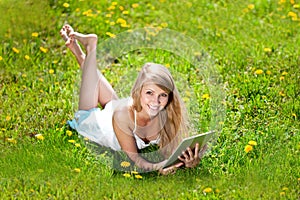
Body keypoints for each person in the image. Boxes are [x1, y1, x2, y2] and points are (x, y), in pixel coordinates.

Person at [60, 24, 204, 175]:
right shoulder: (122, 114)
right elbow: (137, 161)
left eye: (163, 95)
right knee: (88, 108)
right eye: (149, 93)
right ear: (138, 91)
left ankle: (77, 50)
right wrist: (159, 167)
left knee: (103, 92)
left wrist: (189, 161)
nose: (156, 101)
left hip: (115, 108)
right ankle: (90, 47)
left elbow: (175, 150)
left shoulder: (166, 113)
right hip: (98, 123)